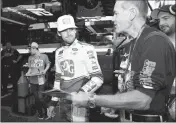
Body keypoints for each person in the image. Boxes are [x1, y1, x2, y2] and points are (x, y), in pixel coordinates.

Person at [69, 0, 176, 122]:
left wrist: (92, 99)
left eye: (116, 13)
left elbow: (143, 99)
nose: (113, 18)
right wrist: (114, 104)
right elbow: (130, 87)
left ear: (132, 13)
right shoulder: (131, 44)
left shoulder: (154, 42)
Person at [47, 15, 103, 122]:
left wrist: (81, 93)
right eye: (64, 30)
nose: (69, 33)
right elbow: (58, 80)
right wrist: (53, 103)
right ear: (59, 33)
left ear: (75, 30)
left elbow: (98, 78)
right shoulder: (58, 52)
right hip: (63, 103)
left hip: (79, 103)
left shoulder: (87, 49)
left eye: (71, 29)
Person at [156, 4, 176, 121]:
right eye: (159, 20)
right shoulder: (158, 44)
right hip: (161, 106)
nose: (161, 23)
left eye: (166, 18)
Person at [25, 42, 51, 119]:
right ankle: (40, 113)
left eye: (30, 49)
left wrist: (45, 71)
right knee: (36, 99)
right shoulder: (30, 58)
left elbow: (48, 64)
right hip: (32, 81)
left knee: (40, 98)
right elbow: (30, 68)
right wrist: (27, 73)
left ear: (35, 48)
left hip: (41, 80)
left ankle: (47, 110)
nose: (29, 51)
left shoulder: (44, 56)